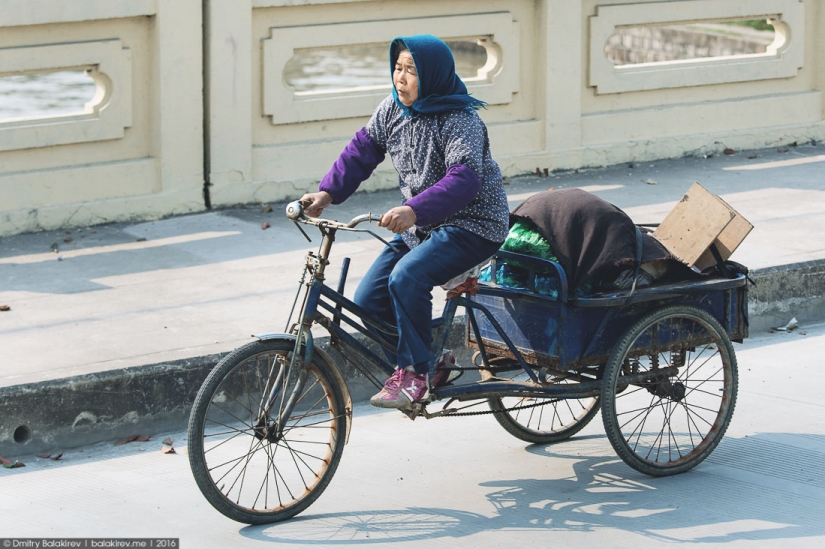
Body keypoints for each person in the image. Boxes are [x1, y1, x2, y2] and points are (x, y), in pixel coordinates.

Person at [300, 34, 509, 410]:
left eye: (411, 70)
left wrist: (413, 210)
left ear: (432, 74)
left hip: (472, 225)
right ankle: (430, 359)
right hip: (425, 226)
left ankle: (416, 373)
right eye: (397, 67)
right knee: (367, 302)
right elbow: (362, 151)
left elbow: (464, 179)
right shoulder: (392, 110)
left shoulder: (460, 119)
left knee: (407, 277)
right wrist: (327, 194)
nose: (401, 77)